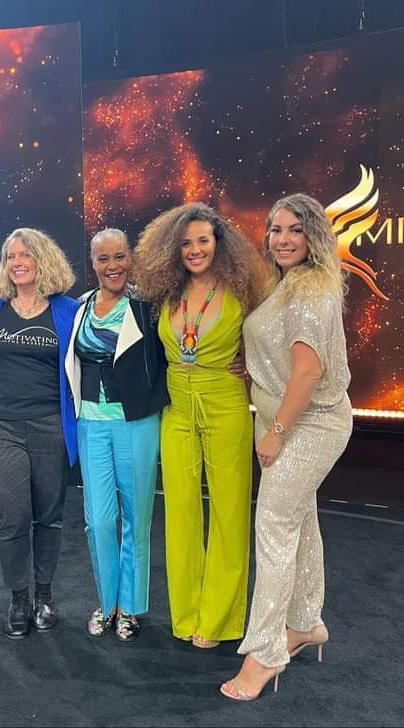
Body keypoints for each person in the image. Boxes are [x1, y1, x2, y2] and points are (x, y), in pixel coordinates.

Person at [221, 194, 353, 701]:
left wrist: (275, 433)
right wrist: (253, 364)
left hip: (309, 424)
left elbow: (309, 371)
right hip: (290, 418)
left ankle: (265, 653)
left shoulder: (310, 290)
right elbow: (281, 350)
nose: (282, 239)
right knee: (300, 519)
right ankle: (305, 624)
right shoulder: (287, 283)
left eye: (295, 229)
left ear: (313, 235)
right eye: (276, 229)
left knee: (274, 527)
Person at [134, 202, 268, 648]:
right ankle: (187, 614)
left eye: (203, 241)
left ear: (218, 243)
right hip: (176, 407)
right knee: (181, 512)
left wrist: (251, 367)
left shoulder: (243, 291)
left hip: (225, 403)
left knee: (229, 512)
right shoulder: (165, 294)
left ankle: (218, 620)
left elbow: (271, 342)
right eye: (186, 243)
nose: (194, 250)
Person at [0, 227, 78, 639]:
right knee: (13, 515)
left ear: (43, 259)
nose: (16, 262)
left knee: (49, 516)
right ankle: (18, 598)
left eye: (25, 254)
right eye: (10, 256)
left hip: (51, 425)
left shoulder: (69, 310)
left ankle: (44, 596)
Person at [64, 229, 169, 641]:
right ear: (92, 263)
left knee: (136, 519)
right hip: (90, 424)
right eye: (104, 258)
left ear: (131, 258)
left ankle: (130, 607)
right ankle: (106, 602)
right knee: (100, 521)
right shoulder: (80, 307)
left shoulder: (147, 307)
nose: (113, 266)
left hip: (136, 423)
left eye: (120, 256)